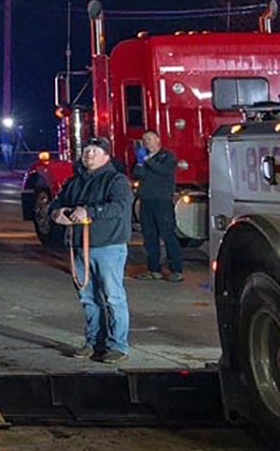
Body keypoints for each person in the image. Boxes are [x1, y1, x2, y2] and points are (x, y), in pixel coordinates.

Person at [51, 137, 132, 362]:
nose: (89, 154)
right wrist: (57, 213)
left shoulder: (116, 180)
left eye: (95, 151)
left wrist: (90, 211)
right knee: (87, 297)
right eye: (87, 150)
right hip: (79, 247)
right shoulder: (75, 182)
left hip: (108, 247)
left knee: (112, 297)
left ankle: (118, 345)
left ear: (106, 155)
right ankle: (93, 341)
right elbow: (56, 203)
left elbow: (119, 207)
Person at [135, 131, 182, 282]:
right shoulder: (144, 159)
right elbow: (137, 174)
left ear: (158, 140)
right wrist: (140, 163)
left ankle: (176, 270)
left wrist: (148, 160)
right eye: (144, 140)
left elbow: (164, 171)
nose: (146, 142)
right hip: (146, 201)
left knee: (168, 235)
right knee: (149, 236)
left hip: (162, 201)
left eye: (149, 139)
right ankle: (153, 269)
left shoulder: (167, 157)